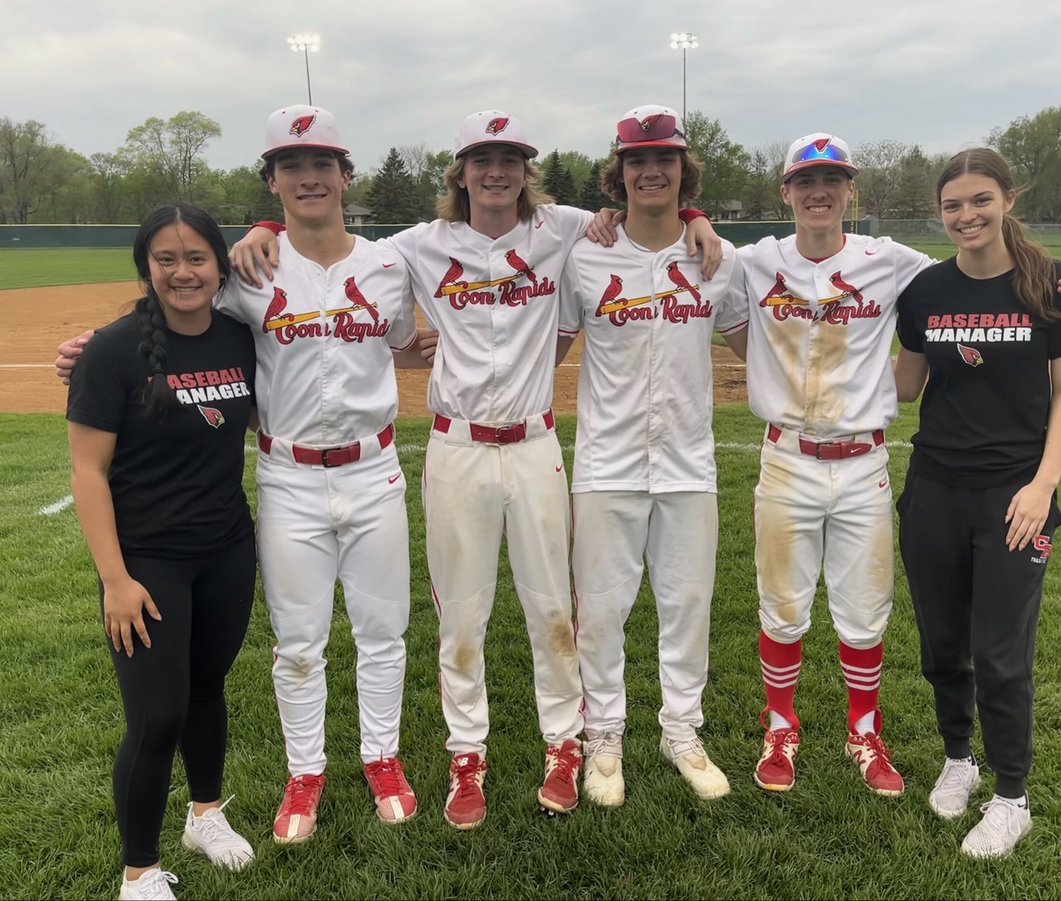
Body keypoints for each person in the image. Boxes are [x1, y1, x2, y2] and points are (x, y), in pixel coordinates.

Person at [228, 109, 723, 829]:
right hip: (456, 448)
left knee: (552, 607)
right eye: (481, 159)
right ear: (459, 172)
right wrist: (263, 230)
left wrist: (698, 216)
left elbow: (647, 206)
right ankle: (468, 753)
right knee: (462, 613)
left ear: (528, 170)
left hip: (534, 445)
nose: (497, 172)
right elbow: (331, 244)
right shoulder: (415, 247)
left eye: (511, 159)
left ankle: (564, 741)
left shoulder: (564, 229)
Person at [60, 105, 435, 847]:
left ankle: (381, 755)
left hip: (373, 469)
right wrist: (91, 347)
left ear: (345, 175)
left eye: (322, 164)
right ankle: (306, 771)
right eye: (291, 166)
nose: (309, 178)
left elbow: (398, 342)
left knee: (383, 629)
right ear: (272, 182)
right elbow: (172, 310)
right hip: (290, 477)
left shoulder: (390, 265)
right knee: (298, 640)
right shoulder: (247, 272)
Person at [724, 133, 1061, 801]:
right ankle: (780, 725)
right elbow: (674, 248)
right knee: (782, 607)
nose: (819, 192)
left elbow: (982, 262)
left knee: (866, 611)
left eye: (832, 180)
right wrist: (684, 217)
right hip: (786, 457)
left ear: (849, 192)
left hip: (864, 460)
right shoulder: (750, 261)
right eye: (805, 181)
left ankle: (863, 729)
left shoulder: (895, 263)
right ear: (785, 192)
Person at [892, 147, 1061, 858]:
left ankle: (1012, 798)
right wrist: (819, 358)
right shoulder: (925, 291)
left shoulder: (1053, 282)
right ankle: (958, 758)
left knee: (1000, 655)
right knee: (943, 644)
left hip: (1015, 496)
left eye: (980, 199)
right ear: (939, 212)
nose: (966, 215)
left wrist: (1041, 485)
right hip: (935, 490)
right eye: (952, 205)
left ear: (1007, 197)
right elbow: (905, 388)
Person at [557, 105, 748, 807]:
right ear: (620, 173)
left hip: (688, 460)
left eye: (664, 159)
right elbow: (541, 345)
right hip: (605, 462)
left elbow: (755, 346)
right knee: (602, 606)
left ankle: (681, 728)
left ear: (682, 171)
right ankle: (603, 733)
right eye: (638, 160)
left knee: (687, 602)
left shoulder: (717, 260)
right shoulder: (585, 253)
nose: (651, 170)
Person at [68, 204, 257, 900]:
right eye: (167, 260)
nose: (183, 272)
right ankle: (139, 870)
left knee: (207, 689)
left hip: (228, 548)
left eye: (198, 258)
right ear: (147, 268)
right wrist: (114, 578)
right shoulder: (113, 350)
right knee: (156, 715)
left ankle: (204, 813)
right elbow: (87, 472)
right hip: (147, 561)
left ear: (220, 264)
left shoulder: (240, 337)